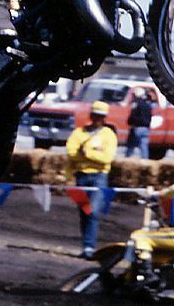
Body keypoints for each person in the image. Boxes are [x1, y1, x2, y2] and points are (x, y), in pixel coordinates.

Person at [65, 100, 118, 259]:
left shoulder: (108, 135)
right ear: (91, 115)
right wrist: (95, 154)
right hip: (81, 177)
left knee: (93, 211)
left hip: (99, 177)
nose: (97, 119)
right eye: (95, 115)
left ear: (105, 118)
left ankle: (90, 247)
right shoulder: (79, 133)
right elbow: (71, 153)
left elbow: (107, 158)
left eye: (101, 116)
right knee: (84, 212)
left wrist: (87, 153)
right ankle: (86, 246)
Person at [125, 87, 153, 159]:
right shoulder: (148, 104)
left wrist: (130, 122)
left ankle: (128, 159)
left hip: (137, 127)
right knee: (144, 146)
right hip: (146, 128)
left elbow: (133, 116)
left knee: (131, 145)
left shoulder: (136, 104)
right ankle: (145, 161)